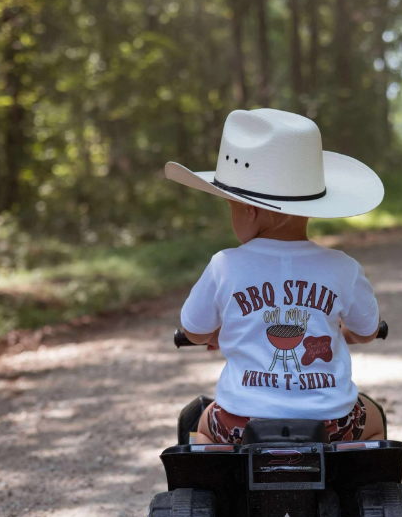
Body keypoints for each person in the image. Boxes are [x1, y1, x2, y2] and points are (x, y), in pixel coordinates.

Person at [165, 108, 386, 445]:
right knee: (373, 419)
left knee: (202, 425)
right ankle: (358, 488)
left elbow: (195, 331)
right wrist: (344, 332)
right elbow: (367, 332)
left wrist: (218, 333)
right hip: (329, 425)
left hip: (240, 425)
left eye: (231, 207)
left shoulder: (224, 265)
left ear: (249, 210)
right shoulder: (343, 267)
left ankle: (215, 492)